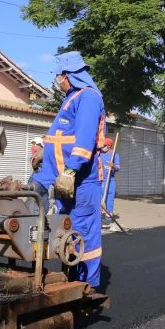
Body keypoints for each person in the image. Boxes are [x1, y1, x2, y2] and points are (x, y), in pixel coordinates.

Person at [31, 51, 106, 289]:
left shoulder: (89, 98)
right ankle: (70, 279)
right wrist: (45, 152)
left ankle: (86, 287)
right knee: (67, 231)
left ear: (68, 75)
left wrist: (70, 171)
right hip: (64, 181)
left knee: (83, 234)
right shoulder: (72, 97)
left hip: (81, 182)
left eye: (58, 77)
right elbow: (60, 135)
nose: (57, 81)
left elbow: (83, 140)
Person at [100, 137, 121, 225]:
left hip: (110, 180)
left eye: (104, 145)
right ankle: (99, 216)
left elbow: (118, 168)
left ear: (109, 146)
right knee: (99, 198)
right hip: (100, 180)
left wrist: (113, 166)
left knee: (109, 199)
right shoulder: (100, 154)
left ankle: (109, 218)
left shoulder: (114, 155)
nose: (102, 147)